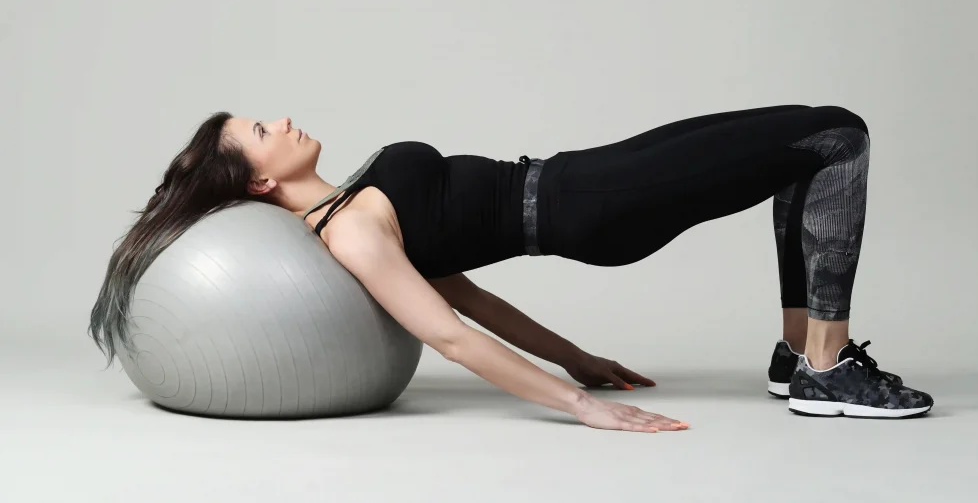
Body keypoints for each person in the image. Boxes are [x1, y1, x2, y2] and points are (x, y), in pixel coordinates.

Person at [89, 104, 933, 432]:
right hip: (588, 203)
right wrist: (576, 407)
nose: (280, 116)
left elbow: (471, 293)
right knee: (837, 137)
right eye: (261, 130)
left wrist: (579, 356)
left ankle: (800, 356)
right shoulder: (346, 233)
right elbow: (448, 334)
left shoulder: (351, 204)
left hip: (578, 173)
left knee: (809, 144)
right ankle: (824, 364)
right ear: (263, 178)